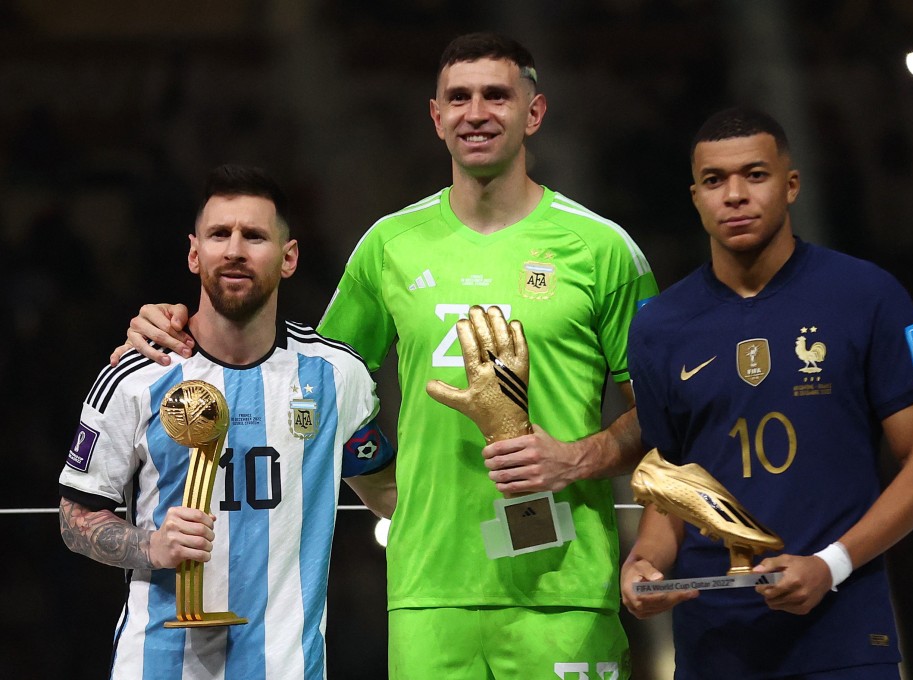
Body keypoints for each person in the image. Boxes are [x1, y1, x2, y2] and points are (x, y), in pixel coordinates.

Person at [111, 33, 657, 679]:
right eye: (459, 97)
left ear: (533, 114)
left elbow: (662, 413)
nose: (475, 112)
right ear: (436, 117)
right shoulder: (390, 246)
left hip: (564, 588)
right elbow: (311, 380)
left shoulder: (602, 250)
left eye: (496, 96)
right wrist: (180, 328)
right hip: (427, 592)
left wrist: (574, 458)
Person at [621, 106, 913, 679]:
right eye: (714, 180)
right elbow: (669, 487)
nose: (734, 195)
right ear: (695, 197)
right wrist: (645, 564)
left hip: (842, 633)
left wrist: (832, 564)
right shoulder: (659, 326)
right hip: (713, 646)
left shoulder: (867, 296)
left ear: (791, 184)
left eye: (755, 174)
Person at [59, 164, 396, 680]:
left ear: (289, 258)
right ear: (194, 252)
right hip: (155, 665)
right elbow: (75, 517)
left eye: (254, 236)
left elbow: (389, 489)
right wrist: (150, 547)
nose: (235, 249)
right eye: (220, 234)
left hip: (286, 667)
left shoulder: (336, 376)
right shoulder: (134, 375)